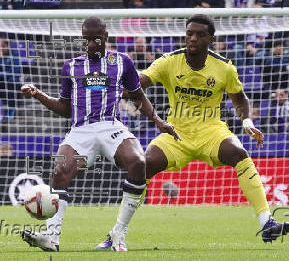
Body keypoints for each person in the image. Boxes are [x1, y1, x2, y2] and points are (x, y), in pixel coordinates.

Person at [97, 14, 289, 246]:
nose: (193, 38)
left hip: (211, 132)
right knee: (143, 165)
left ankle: (266, 222)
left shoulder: (224, 67)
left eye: (200, 34)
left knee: (239, 154)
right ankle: (116, 233)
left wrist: (246, 122)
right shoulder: (169, 61)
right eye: (189, 33)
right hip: (176, 134)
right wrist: (117, 83)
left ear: (210, 38)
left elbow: (239, 98)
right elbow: (141, 82)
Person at [20, 17, 180, 252]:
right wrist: (38, 94)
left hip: (110, 127)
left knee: (138, 162)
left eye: (96, 39)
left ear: (105, 37)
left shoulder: (122, 61)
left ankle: (119, 233)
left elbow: (138, 95)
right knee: (60, 170)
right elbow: (65, 108)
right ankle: (51, 238)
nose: (91, 45)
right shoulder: (71, 66)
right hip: (80, 130)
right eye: (86, 40)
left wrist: (157, 121)